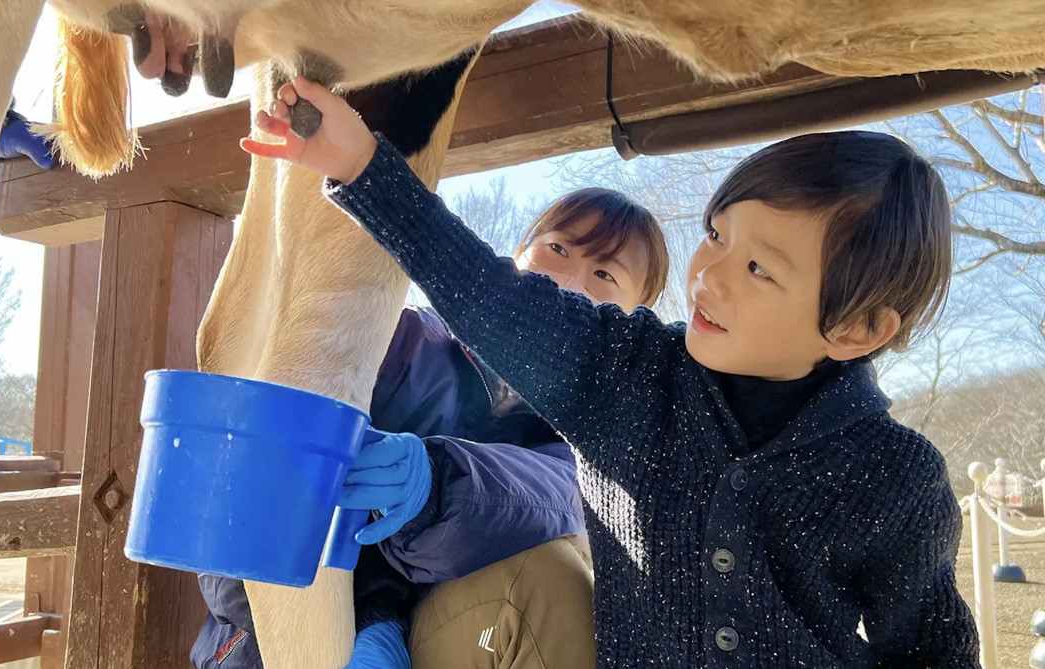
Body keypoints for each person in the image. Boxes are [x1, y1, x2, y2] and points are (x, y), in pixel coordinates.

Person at [239, 76, 982, 667]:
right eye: (717, 235)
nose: (710, 278)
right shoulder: (628, 377)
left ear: (856, 328)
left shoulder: (895, 477)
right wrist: (363, 167)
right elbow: (491, 296)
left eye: (758, 267)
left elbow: (931, 648)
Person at [191, 188, 670, 669]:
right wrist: (363, 624)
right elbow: (235, 492)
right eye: (558, 249)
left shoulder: (585, 450)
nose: (567, 281)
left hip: (449, 640)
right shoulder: (397, 341)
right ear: (519, 253)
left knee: (557, 573)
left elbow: (551, 501)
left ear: (634, 323)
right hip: (270, 641)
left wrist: (434, 483)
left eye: (605, 275)